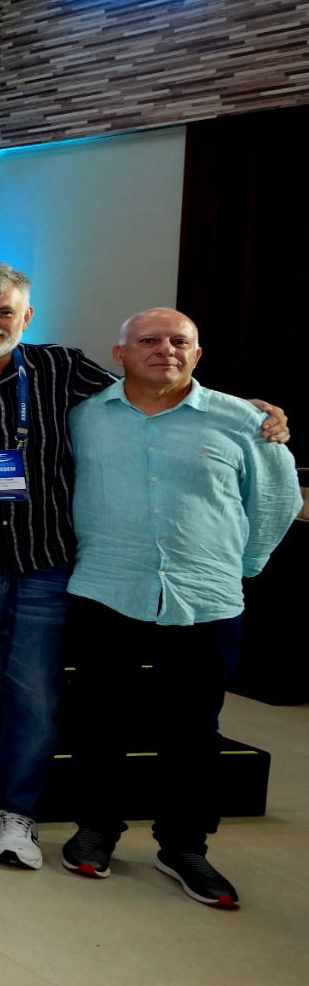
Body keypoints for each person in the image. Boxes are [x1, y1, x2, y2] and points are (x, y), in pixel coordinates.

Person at [0, 263, 289, 871]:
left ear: (27, 317)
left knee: (35, 698)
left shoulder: (63, 369)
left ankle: (19, 814)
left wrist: (245, 411)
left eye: (4, 312)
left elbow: (151, 388)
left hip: (42, 566)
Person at [58, 309, 299, 907]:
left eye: (178, 341)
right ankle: (96, 830)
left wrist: (241, 565)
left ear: (197, 354)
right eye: (148, 340)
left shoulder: (245, 421)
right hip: (107, 588)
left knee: (193, 729)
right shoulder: (84, 418)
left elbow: (275, 498)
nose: (163, 349)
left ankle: (185, 846)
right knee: (99, 720)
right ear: (119, 355)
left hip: (206, 598)